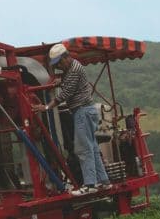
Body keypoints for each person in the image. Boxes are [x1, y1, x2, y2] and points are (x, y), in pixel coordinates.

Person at [32, 43, 110, 195]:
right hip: (87, 111)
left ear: (66, 57)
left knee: (83, 149)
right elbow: (69, 83)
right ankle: (104, 181)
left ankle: (90, 184)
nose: (59, 66)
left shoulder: (73, 69)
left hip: (82, 111)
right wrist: (60, 82)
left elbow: (65, 94)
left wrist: (46, 107)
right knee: (92, 148)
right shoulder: (73, 67)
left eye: (60, 62)